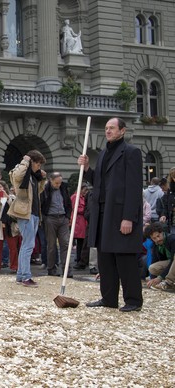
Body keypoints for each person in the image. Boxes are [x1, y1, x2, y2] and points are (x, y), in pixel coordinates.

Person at [78, 117, 144, 312]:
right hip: (102, 212)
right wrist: (87, 168)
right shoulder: (105, 151)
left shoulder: (131, 152)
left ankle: (133, 300)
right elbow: (99, 181)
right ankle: (108, 298)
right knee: (105, 258)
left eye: (112, 128)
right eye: (106, 128)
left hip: (120, 213)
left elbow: (134, 187)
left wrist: (129, 217)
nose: (108, 131)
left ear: (122, 131)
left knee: (124, 258)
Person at [8, 150, 47, 287]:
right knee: (28, 245)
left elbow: (38, 192)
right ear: (32, 162)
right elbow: (17, 175)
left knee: (27, 245)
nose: (39, 167)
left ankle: (21, 276)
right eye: (37, 164)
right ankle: (25, 276)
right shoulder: (21, 173)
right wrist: (25, 161)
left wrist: (42, 179)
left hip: (34, 213)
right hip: (25, 213)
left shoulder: (33, 177)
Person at [40, 172, 73, 277]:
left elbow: (68, 202)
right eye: (56, 183)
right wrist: (44, 218)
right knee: (51, 245)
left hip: (63, 218)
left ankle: (67, 270)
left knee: (66, 244)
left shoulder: (64, 187)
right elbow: (42, 203)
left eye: (59, 183)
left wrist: (68, 216)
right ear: (51, 180)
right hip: (50, 218)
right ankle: (51, 269)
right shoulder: (45, 189)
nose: (58, 185)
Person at [0, 181, 19, 274]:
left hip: (10, 225)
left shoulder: (12, 197)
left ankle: (14, 266)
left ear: (5, 187)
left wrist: (7, 198)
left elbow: (14, 208)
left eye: (1, 186)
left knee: (13, 247)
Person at [144, 222, 175, 292]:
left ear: (162, 232)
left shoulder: (172, 239)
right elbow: (155, 260)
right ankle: (167, 281)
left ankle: (168, 283)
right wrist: (153, 279)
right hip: (171, 265)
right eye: (154, 238)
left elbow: (173, 260)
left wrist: (160, 278)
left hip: (173, 262)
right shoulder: (156, 244)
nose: (157, 239)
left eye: (158, 236)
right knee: (152, 268)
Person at [72, 183, 90, 270]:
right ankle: (79, 258)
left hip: (83, 221)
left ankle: (80, 258)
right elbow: (76, 208)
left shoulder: (83, 197)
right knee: (80, 242)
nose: (86, 192)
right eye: (84, 190)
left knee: (82, 242)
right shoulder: (76, 197)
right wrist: (85, 209)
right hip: (79, 221)